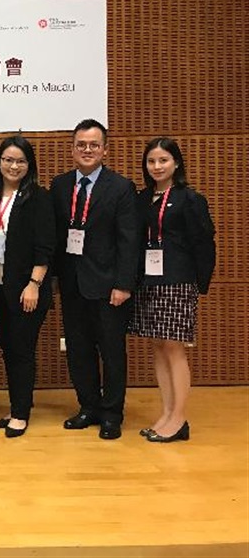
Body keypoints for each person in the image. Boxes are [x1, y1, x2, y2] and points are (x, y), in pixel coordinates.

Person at [51, 118, 138, 440]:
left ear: (104, 149)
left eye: (93, 145)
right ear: (72, 149)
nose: (87, 150)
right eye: (81, 145)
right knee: (78, 348)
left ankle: (112, 413)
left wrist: (124, 284)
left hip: (108, 286)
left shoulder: (121, 187)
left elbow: (129, 241)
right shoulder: (60, 186)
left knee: (112, 351)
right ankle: (88, 405)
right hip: (72, 284)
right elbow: (58, 237)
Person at [129, 137, 215, 443]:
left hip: (177, 280)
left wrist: (198, 284)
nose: (157, 167)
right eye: (151, 161)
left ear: (176, 163)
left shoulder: (190, 199)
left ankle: (179, 419)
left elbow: (204, 243)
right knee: (159, 348)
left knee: (175, 349)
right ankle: (166, 413)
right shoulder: (142, 199)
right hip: (148, 281)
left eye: (163, 160)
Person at [0, 135, 55, 438]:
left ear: (29, 165)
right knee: (8, 348)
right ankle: (17, 405)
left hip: (26, 287)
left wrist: (35, 283)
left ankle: (21, 414)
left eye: (20, 161)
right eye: (8, 160)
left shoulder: (39, 198)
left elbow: (46, 245)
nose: (14, 166)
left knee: (22, 349)